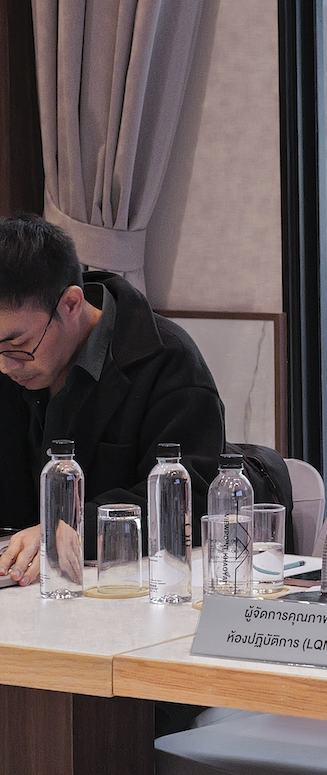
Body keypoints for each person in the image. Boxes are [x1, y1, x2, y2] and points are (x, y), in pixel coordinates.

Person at [0, 213, 225, 587]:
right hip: (21, 579)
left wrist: (71, 530)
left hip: (128, 586)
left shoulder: (166, 361)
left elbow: (189, 499)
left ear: (71, 304)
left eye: (19, 345)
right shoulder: (12, 358)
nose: (5, 366)